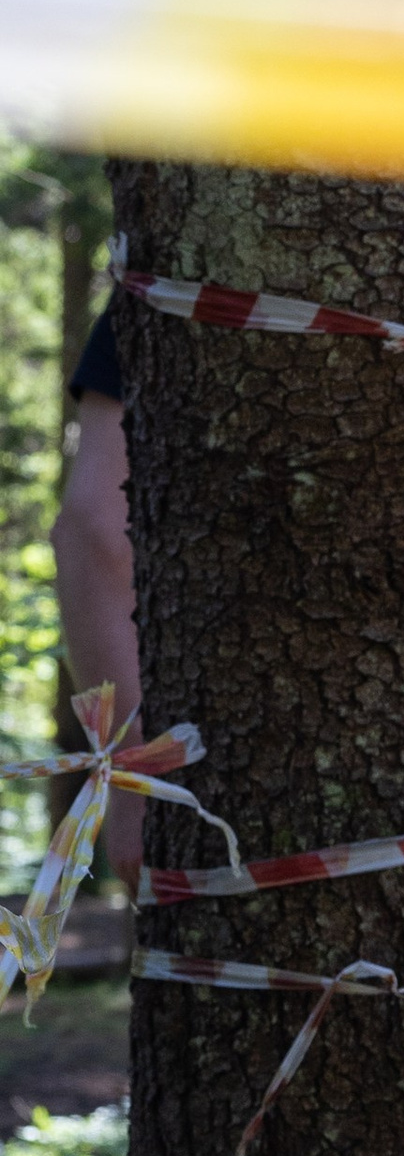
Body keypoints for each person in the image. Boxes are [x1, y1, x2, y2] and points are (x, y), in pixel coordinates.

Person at [49, 317, 145, 881]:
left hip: (210, 779)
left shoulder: (170, 278)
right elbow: (93, 530)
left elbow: (94, 527)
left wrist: (135, 776)